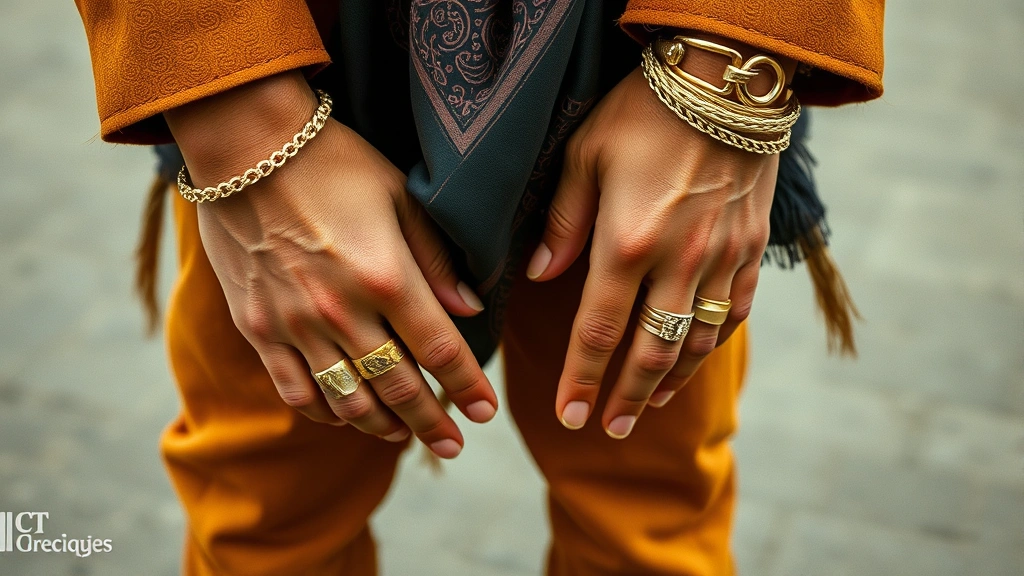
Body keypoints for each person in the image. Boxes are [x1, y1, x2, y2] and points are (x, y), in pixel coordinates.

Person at [75, 1, 884, 574]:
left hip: (661, 82)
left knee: (645, 531)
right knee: (269, 526)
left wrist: (730, 57)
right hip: (294, 71)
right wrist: (238, 119)